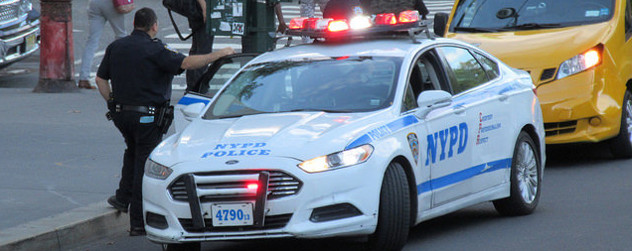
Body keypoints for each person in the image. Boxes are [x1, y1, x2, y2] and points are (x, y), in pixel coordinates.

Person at [95, 7, 235, 236]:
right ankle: (138, 223)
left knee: (132, 151)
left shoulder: (116, 46)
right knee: (144, 163)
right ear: (154, 26)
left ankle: (122, 198)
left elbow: (101, 79)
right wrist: (217, 55)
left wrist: (111, 101)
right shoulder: (156, 50)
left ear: (134, 24)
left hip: (121, 115)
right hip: (148, 116)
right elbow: (188, 63)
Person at [78, 0, 128, 89]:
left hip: (94, 3)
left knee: (92, 41)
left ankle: (83, 78)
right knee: (121, 36)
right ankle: (123, 74)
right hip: (111, 3)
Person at [185, 0, 214, 92]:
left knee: (199, 48)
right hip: (202, 8)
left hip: (201, 8)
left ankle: (194, 88)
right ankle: (196, 89)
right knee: (202, 49)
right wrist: (204, 7)